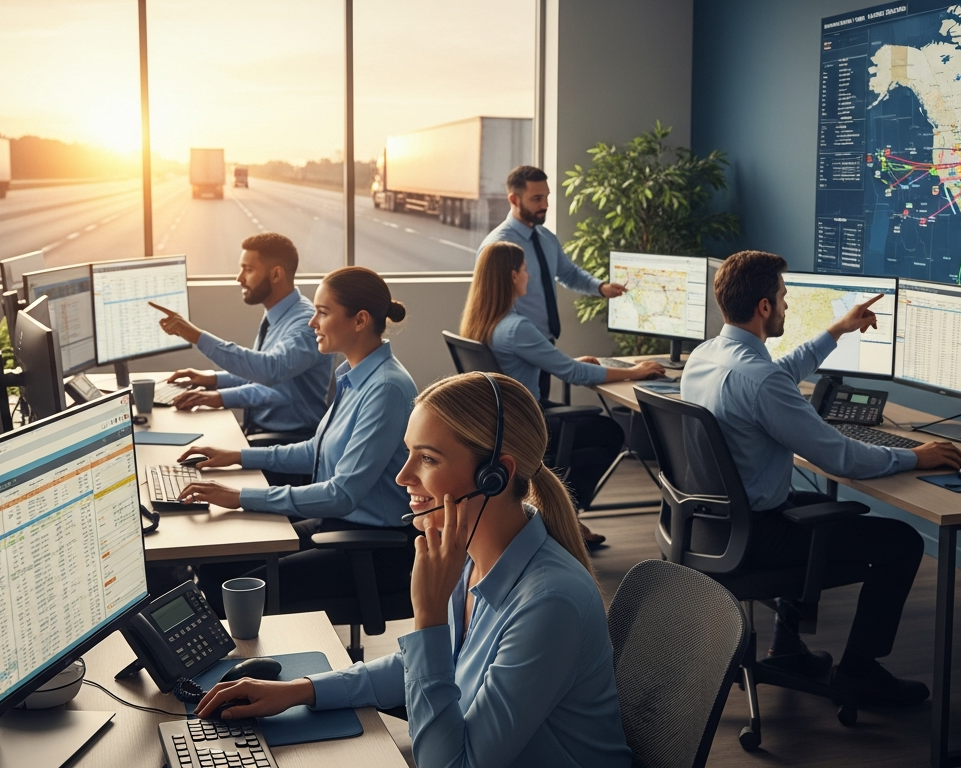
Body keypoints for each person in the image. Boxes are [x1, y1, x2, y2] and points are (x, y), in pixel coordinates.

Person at [194, 373, 632, 768]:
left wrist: (428, 617)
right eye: (409, 454)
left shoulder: (549, 603)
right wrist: (302, 690)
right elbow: (419, 666)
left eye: (427, 459)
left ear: (494, 476)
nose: (403, 476)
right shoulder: (474, 554)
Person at [682, 250, 961, 707]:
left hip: (710, 524)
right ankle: (858, 672)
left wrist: (836, 331)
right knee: (902, 543)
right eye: (783, 296)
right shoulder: (759, 380)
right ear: (765, 307)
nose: (787, 305)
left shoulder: (707, 356)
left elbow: (774, 375)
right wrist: (916, 457)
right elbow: (842, 458)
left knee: (806, 507)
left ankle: (788, 646)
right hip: (756, 535)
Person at [174, 266, 417, 615]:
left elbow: (342, 494)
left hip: (370, 548)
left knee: (227, 590)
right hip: (336, 525)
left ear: (360, 320)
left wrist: (241, 497)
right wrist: (237, 456)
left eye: (323, 312)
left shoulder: (385, 388)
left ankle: (253, 668)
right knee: (218, 565)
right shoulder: (355, 375)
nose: (311, 323)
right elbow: (313, 452)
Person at [462, 241, 662, 546]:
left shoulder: (482, 322)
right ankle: (564, 520)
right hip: (528, 424)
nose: (529, 276)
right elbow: (574, 375)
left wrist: (570, 362)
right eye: (525, 270)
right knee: (608, 432)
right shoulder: (517, 328)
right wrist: (636, 372)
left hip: (506, 423)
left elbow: (556, 364)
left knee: (592, 434)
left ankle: (559, 518)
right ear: (512, 276)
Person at [152, 233, 337, 456]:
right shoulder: (278, 315)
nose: (239, 278)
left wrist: (196, 336)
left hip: (291, 443)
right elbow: (257, 373)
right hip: (262, 432)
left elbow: (270, 370)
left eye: (248, 270)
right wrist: (212, 380)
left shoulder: (303, 325)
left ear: (276, 274)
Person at [478, 165, 627, 400]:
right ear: (513, 199)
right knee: (538, 418)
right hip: (520, 343)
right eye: (537, 199)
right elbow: (490, 293)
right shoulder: (499, 247)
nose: (545, 205)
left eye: (546, 197)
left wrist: (600, 287)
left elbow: (568, 273)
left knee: (539, 411)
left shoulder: (546, 238)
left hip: (538, 346)